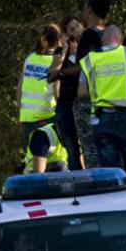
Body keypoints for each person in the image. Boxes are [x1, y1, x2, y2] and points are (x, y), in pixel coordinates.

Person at [77, 25, 126, 186]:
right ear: (121, 40)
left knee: (111, 173)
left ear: (102, 39)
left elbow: (81, 92)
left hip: (102, 119)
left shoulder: (90, 59)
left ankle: (115, 200)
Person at [70, 0, 111, 168]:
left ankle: (96, 179)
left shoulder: (88, 35)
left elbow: (81, 66)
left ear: (89, 10)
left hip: (88, 99)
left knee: (90, 148)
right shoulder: (112, 34)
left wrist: (61, 72)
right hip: (110, 97)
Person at [47, 15, 85, 170]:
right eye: (71, 29)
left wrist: (76, 55)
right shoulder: (61, 51)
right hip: (65, 104)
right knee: (71, 147)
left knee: (88, 146)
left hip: (83, 103)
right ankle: (77, 175)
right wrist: (64, 52)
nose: (76, 31)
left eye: (77, 26)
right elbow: (51, 76)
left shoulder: (88, 47)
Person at [17, 24, 60, 146]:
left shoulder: (30, 58)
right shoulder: (56, 61)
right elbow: (57, 91)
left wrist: (21, 113)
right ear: (59, 40)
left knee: (32, 155)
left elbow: (19, 89)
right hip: (47, 117)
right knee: (53, 155)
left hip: (27, 118)